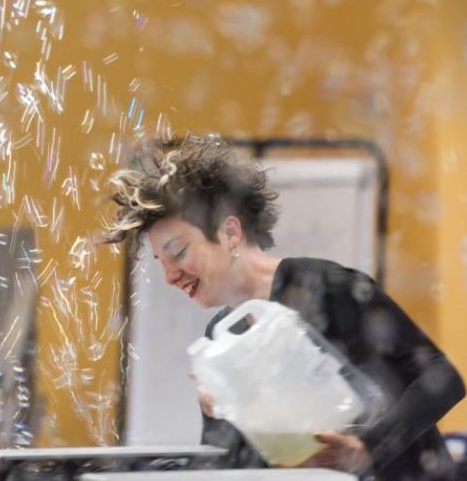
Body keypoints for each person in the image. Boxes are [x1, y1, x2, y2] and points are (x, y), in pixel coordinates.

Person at [103, 135, 465, 480]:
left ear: (230, 233)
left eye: (178, 253)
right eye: (160, 263)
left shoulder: (324, 287)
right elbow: (234, 466)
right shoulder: (222, 336)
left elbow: (442, 378)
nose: (170, 277)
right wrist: (220, 417)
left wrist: (366, 449)